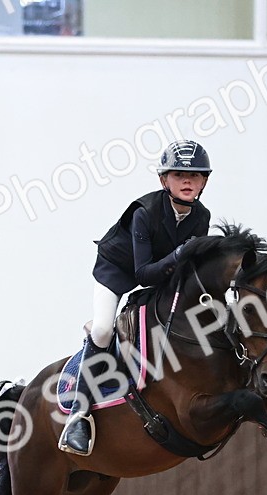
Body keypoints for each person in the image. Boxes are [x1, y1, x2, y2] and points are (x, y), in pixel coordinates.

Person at [58, 140, 213, 456]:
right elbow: (142, 273)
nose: (187, 182)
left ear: (204, 181)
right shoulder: (145, 212)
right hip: (119, 270)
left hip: (161, 274)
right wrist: (181, 253)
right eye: (178, 174)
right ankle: (77, 416)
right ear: (163, 180)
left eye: (195, 176)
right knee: (103, 329)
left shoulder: (201, 216)